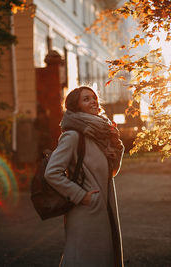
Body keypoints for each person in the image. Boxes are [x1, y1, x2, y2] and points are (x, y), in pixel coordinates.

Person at [44, 86, 125, 267]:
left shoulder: (99, 134)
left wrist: (116, 145)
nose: (93, 101)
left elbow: (111, 173)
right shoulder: (73, 136)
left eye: (94, 97)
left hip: (104, 211)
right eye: (86, 99)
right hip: (85, 213)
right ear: (76, 106)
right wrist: (82, 196)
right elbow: (52, 173)